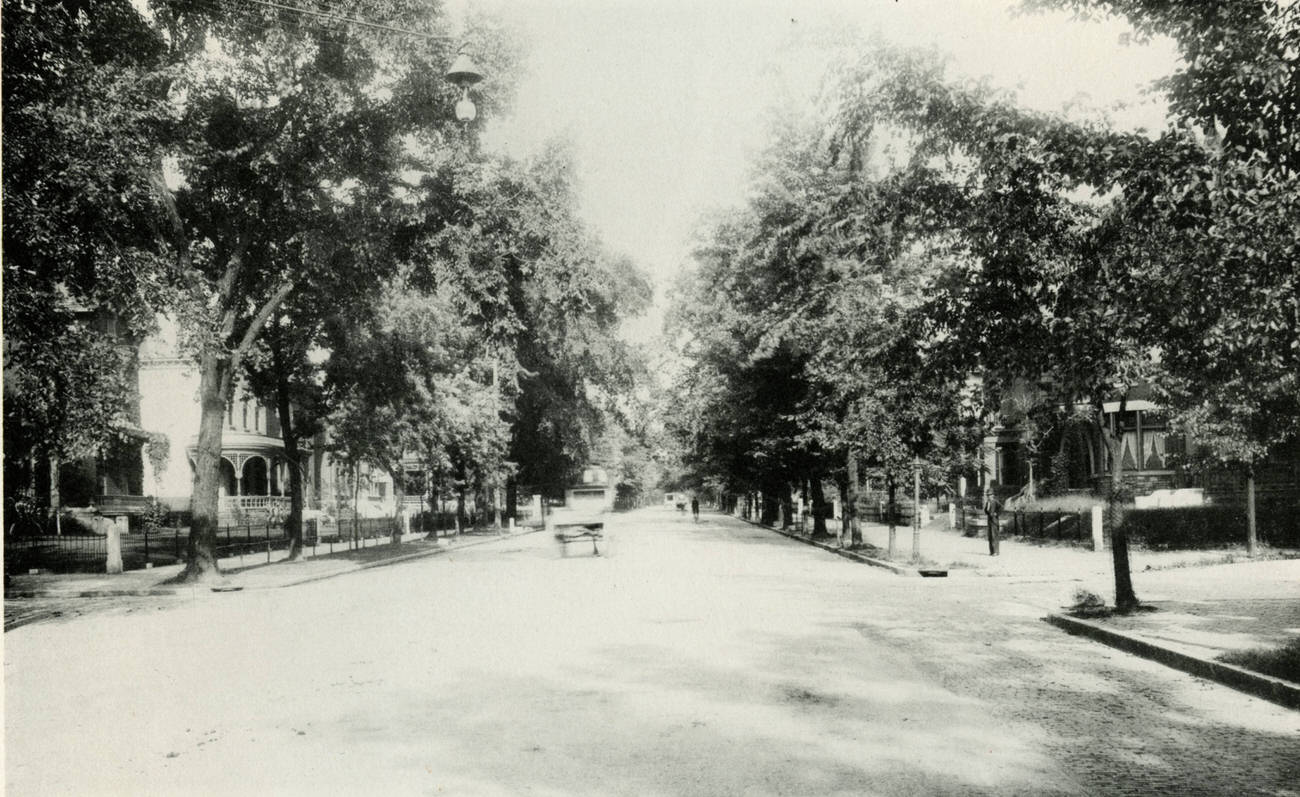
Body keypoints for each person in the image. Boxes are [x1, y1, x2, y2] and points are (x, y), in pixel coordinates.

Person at [982, 483, 1001, 556]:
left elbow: (1001, 508)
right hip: (989, 521)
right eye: (988, 495)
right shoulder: (988, 503)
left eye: (990, 495)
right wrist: (987, 510)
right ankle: (992, 551)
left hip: (994, 521)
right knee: (990, 536)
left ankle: (996, 551)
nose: (988, 496)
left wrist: (996, 513)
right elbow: (986, 511)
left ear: (993, 495)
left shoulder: (995, 502)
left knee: (994, 536)